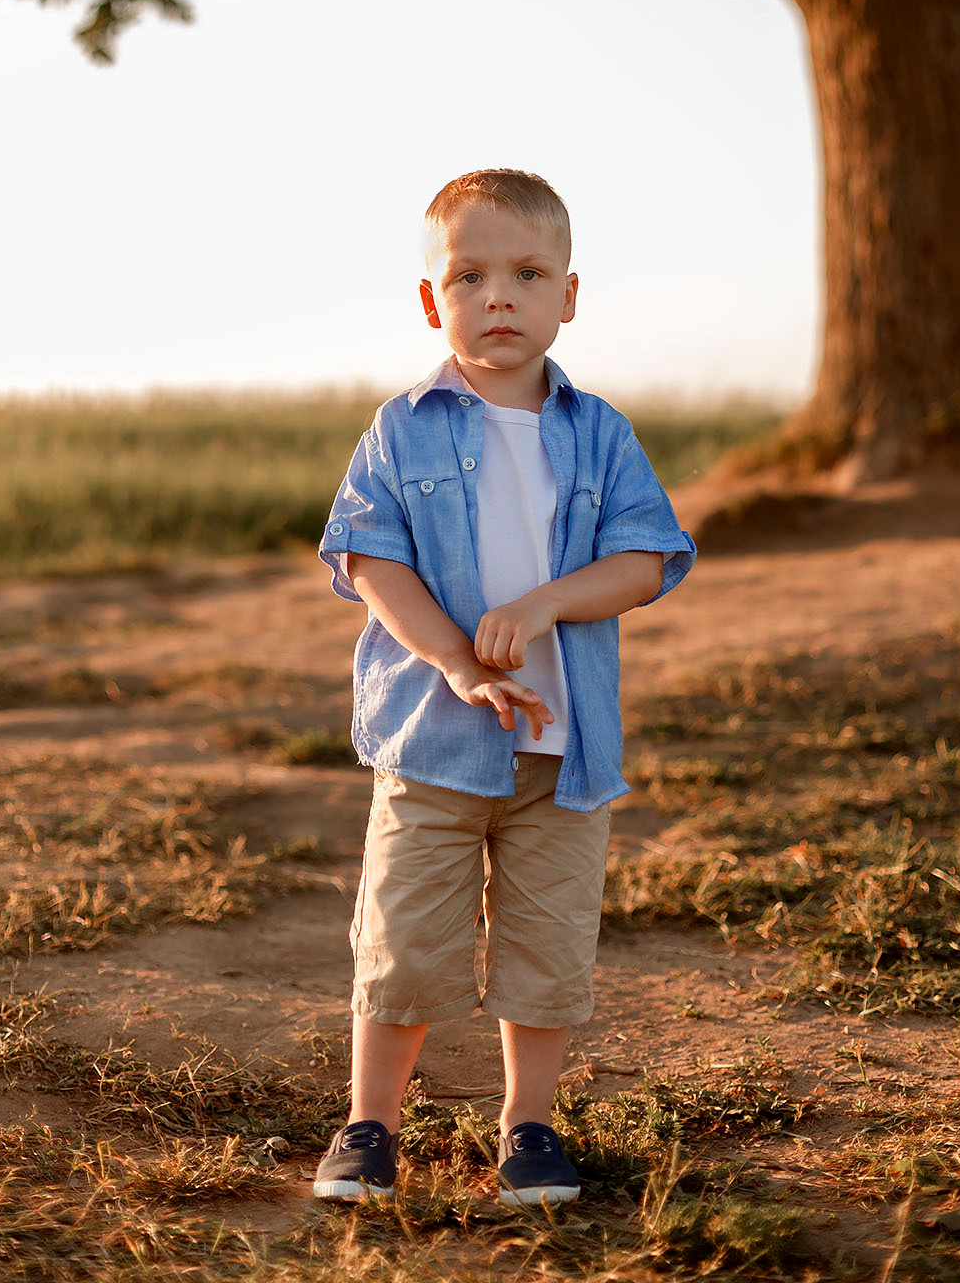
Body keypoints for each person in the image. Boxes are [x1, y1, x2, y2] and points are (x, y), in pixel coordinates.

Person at [313, 167, 695, 1207]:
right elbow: (371, 560)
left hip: (563, 751)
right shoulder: (401, 428)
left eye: (528, 274)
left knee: (547, 945)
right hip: (433, 743)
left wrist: (541, 607)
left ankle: (528, 1125)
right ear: (431, 300)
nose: (498, 298)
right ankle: (369, 1125)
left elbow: (646, 560)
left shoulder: (599, 431)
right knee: (402, 940)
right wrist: (453, 660)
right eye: (469, 276)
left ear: (567, 295)